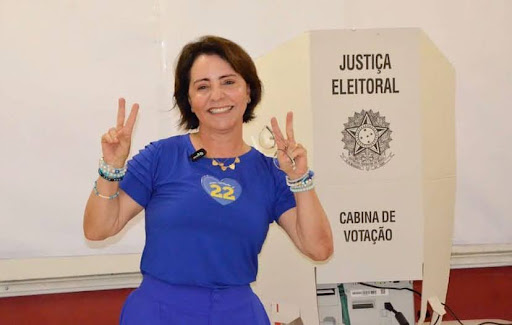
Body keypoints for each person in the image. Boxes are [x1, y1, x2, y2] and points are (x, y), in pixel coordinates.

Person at [83, 35, 333, 325]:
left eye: (228, 82)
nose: (217, 95)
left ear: (249, 91)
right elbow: (98, 229)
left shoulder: (271, 172)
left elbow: (319, 248)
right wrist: (111, 167)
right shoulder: (161, 157)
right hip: (158, 312)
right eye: (203, 86)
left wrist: (300, 178)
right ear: (189, 100)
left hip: (237, 314)